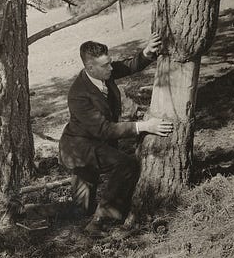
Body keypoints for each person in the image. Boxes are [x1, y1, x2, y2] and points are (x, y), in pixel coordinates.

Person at [59, 33, 173, 236]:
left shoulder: (104, 72)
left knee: (80, 209)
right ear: (90, 68)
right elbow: (104, 129)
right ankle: (102, 221)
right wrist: (144, 126)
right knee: (126, 164)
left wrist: (147, 52)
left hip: (94, 143)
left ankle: (25, 211)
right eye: (105, 66)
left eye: (110, 63)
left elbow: (129, 66)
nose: (111, 68)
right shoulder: (78, 94)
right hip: (80, 148)